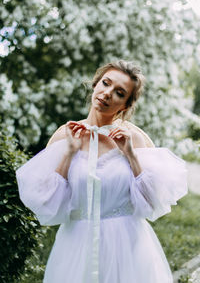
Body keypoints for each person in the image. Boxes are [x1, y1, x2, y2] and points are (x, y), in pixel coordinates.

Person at [16, 60, 188, 283]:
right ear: (95, 85)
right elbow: (49, 204)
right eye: (105, 83)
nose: (107, 94)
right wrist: (69, 153)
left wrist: (130, 155)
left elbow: (153, 202)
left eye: (119, 92)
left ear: (125, 105)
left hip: (128, 247)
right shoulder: (65, 134)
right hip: (76, 246)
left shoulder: (134, 138)